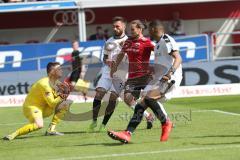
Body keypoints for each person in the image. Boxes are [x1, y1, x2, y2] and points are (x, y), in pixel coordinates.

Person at [108, 20, 182, 143]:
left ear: (153, 29)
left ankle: (166, 122)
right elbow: (162, 62)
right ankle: (127, 133)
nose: (148, 33)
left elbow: (178, 58)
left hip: (170, 78)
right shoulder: (158, 43)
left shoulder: (166, 40)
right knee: (140, 106)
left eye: (149, 30)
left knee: (148, 99)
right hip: (157, 78)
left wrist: (170, 73)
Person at [3, 62, 72, 140]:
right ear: (52, 71)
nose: (61, 70)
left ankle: (51, 130)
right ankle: (13, 134)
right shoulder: (45, 84)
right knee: (39, 125)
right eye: (59, 69)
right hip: (32, 107)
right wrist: (62, 96)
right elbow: (52, 103)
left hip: (44, 108)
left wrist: (64, 95)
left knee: (66, 103)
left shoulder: (57, 83)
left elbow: (58, 98)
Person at [110, 19, 156, 131]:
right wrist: (115, 67)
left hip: (145, 76)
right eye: (130, 29)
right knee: (127, 98)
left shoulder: (147, 43)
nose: (131, 31)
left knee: (150, 99)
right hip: (132, 77)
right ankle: (148, 116)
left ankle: (166, 120)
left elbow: (159, 52)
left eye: (133, 29)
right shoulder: (128, 41)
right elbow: (121, 54)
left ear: (140, 30)